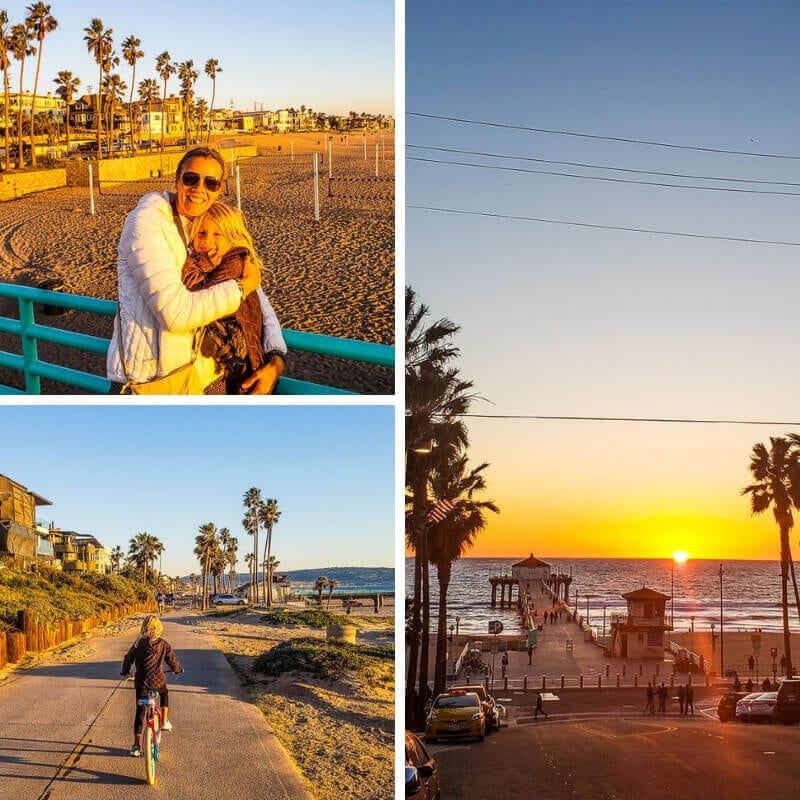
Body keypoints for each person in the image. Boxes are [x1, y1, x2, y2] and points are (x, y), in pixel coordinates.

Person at [107, 146, 286, 394]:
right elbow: (175, 314)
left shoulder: (203, 228)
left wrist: (276, 357)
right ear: (177, 179)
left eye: (210, 182)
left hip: (194, 380)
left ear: (220, 188)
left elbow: (256, 299)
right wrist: (240, 287)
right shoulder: (147, 222)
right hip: (146, 383)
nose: (199, 188)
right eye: (191, 178)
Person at [182, 202, 283, 394]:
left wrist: (276, 357)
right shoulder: (188, 263)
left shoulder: (241, 267)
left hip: (236, 367)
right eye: (201, 233)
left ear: (233, 239)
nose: (207, 242)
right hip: (207, 373)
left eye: (217, 234)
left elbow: (265, 313)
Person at [121, 614, 182, 757]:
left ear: (144, 628)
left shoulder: (138, 644)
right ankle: (165, 721)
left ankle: (136, 746)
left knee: (140, 713)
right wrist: (176, 669)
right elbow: (172, 661)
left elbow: (128, 658)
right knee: (164, 693)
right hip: (158, 681)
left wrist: (126, 671)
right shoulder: (164, 644)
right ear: (159, 628)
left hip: (141, 682)